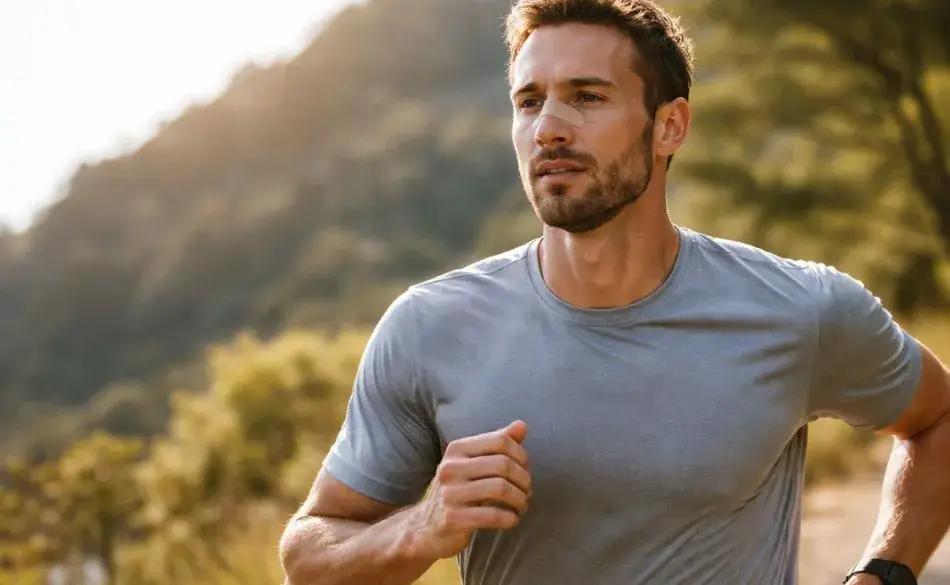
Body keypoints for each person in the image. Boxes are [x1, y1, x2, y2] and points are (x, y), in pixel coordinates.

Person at [278, 0, 950, 583]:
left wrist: (885, 572)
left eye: (587, 96)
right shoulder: (428, 329)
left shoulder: (800, 310)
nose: (548, 128)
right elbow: (308, 559)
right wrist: (420, 527)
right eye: (528, 101)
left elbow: (938, 419)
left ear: (669, 126)